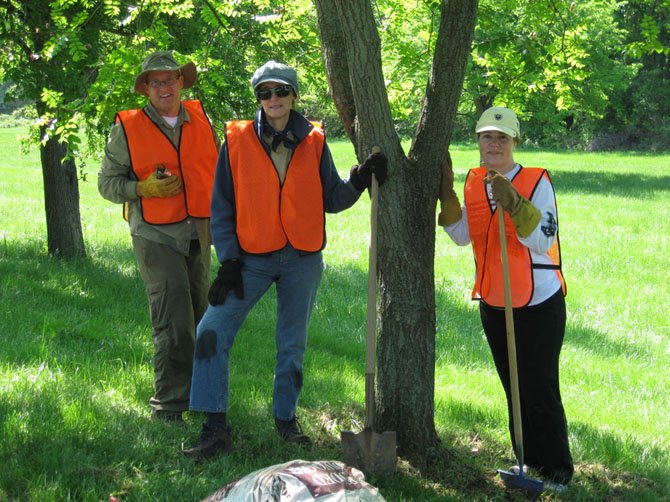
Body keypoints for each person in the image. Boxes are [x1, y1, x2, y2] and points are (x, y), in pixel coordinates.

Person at [184, 60, 388, 460]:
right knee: (211, 330)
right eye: (265, 92)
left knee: (291, 344)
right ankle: (213, 427)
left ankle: (285, 418)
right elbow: (221, 205)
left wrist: (360, 180)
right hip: (250, 260)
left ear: (294, 95)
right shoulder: (237, 139)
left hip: (302, 258)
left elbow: (331, 197)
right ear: (257, 98)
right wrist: (228, 261)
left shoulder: (313, 140)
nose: (273, 99)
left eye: (281, 91)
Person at [438, 107, 573, 488]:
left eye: (502, 138)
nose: (494, 144)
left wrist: (515, 204)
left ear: (514, 142)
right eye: (487, 137)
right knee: (512, 386)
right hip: (494, 301)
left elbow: (543, 239)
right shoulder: (473, 182)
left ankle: (558, 470)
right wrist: (447, 195)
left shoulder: (535, 181)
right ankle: (527, 462)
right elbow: (463, 234)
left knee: (539, 386)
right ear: (477, 141)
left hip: (537, 302)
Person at [98, 51, 219, 423]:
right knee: (174, 322)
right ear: (146, 88)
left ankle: (200, 399)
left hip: (199, 233)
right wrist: (142, 188)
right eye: (156, 81)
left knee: (202, 320)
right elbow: (107, 183)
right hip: (155, 235)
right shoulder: (128, 127)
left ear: (181, 82)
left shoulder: (201, 119)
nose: (165, 87)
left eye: (171, 79)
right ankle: (168, 407)